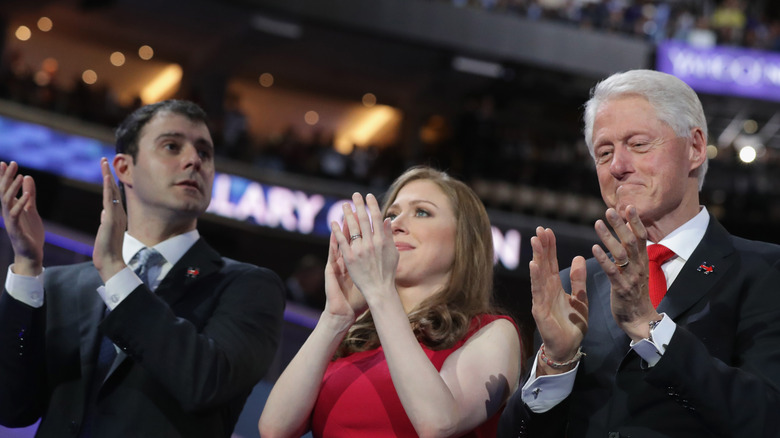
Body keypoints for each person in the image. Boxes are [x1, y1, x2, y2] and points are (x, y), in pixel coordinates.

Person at [498, 69, 780, 437]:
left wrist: (652, 329)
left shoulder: (765, 270)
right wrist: (556, 363)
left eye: (638, 144)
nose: (617, 166)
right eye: (604, 152)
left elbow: (767, 418)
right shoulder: (573, 286)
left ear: (695, 148)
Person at [0, 99, 285, 437]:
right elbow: (12, 408)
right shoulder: (61, 285)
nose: (194, 160)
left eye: (205, 153)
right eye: (171, 146)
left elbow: (205, 383)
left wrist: (116, 271)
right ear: (124, 168)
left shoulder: (249, 286)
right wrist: (28, 268)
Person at [258, 166, 522, 437]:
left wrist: (381, 294)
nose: (394, 224)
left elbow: (438, 423)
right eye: (392, 214)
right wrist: (335, 318)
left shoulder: (493, 332)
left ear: (464, 240)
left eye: (422, 212)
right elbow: (274, 429)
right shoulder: (352, 334)